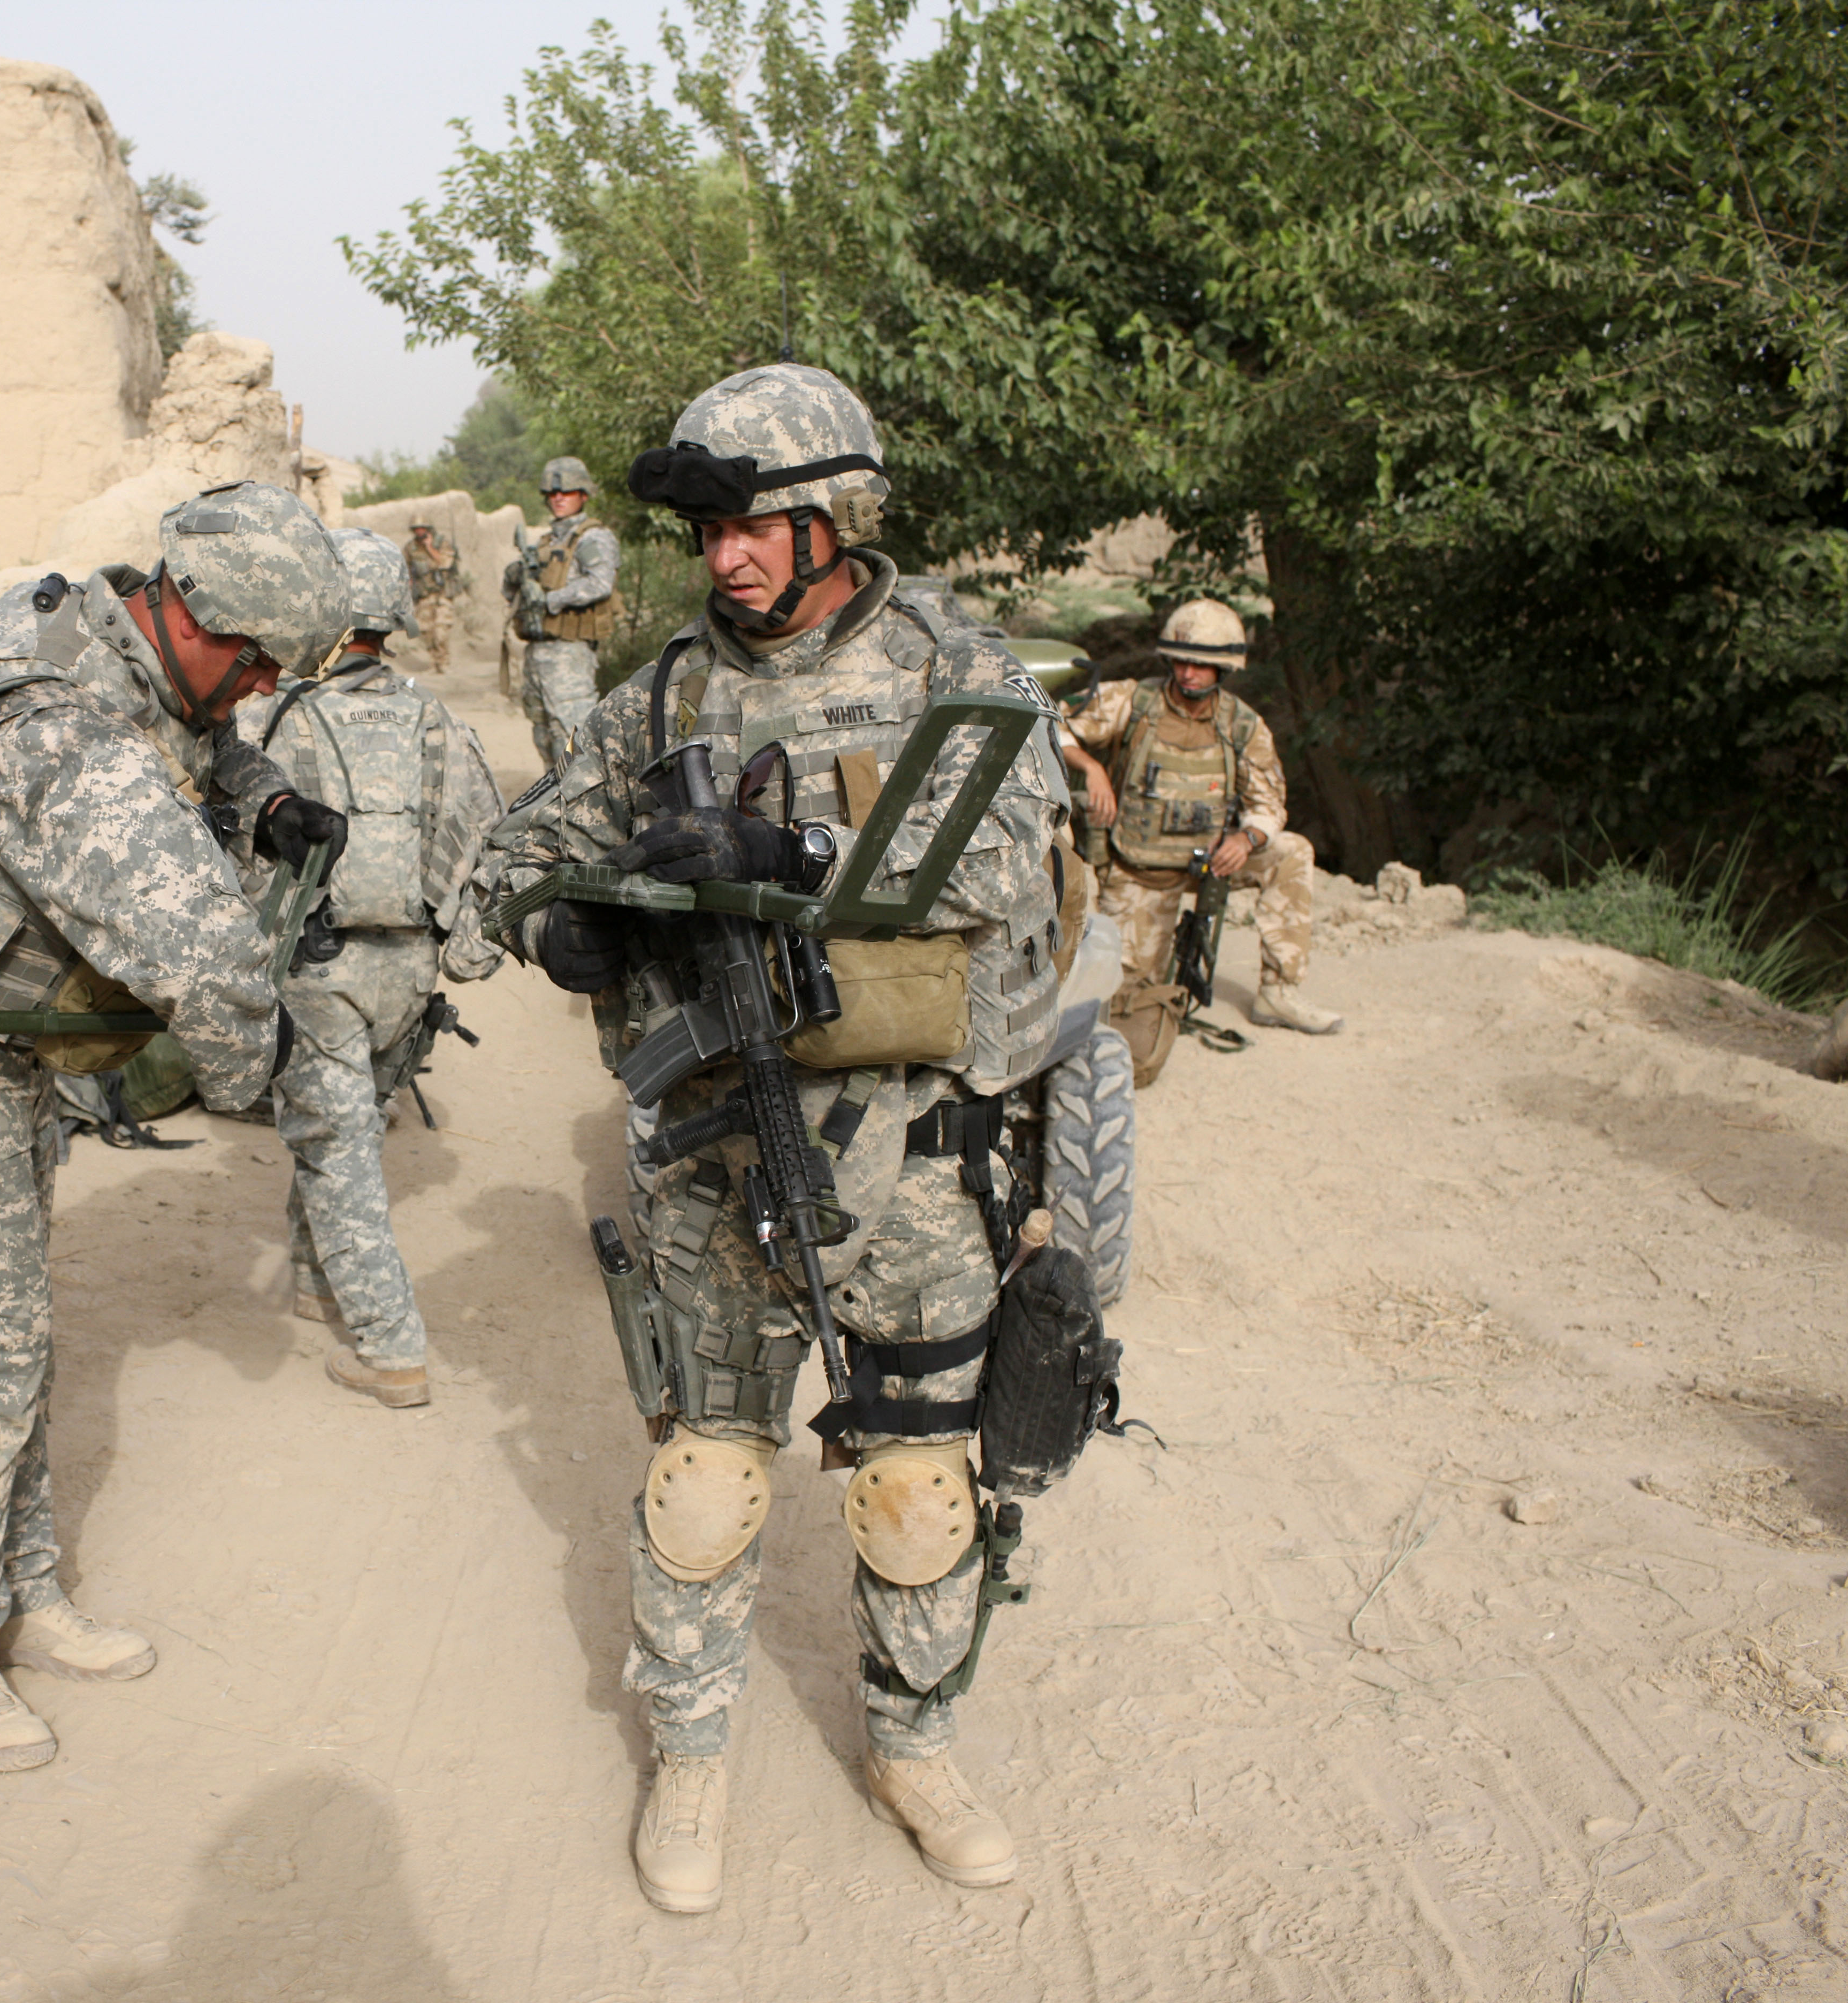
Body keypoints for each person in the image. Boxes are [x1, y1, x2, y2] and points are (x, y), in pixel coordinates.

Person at [483, 365, 1073, 1914]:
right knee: (707, 1475)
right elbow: (520, 847)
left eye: (755, 524)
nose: (726, 555)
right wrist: (568, 921)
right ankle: (689, 1754)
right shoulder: (669, 689)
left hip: (914, 1151)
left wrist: (786, 848)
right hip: (714, 1143)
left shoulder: (954, 658)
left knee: (918, 1483)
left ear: (838, 518)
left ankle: (916, 1745)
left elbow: (1003, 855)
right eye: (706, 529)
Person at [0, 480, 351, 1775]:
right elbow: (203, 958)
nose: (257, 687)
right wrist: (259, 1075)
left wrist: (262, 801)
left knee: (11, 1335)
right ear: (200, 615)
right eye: (254, 662)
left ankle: (20, 1594)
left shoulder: (116, 636)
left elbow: (197, 747)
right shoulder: (46, 718)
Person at [238, 526, 506, 1409]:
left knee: (338, 1147)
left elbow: (246, 851)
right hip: (409, 972)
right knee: (340, 1130)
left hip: (325, 967)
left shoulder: (289, 718)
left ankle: (392, 1349)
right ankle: (318, 1281)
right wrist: (460, 945)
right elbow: (483, 835)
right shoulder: (437, 717)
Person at [1060, 599, 1345, 1034]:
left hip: (1208, 862)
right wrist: (1091, 767)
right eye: (1181, 661)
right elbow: (1050, 722)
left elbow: (1270, 805)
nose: (1188, 673)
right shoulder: (1135, 702)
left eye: (1201, 665)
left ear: (1224, 669)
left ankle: (1279, 992)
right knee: (1127, 999)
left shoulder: (1242, 726)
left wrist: (1247, 840)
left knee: (1291, 852)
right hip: (1139, 873)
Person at [502, 456, 622, 769]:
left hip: (569, 654)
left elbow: (600, 583)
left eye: (567, 492)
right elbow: (513, 595)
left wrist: (550, 600)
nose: (558, 498)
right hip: (539, 652)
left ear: (583, 495)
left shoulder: (591, 537)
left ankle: (577, 806)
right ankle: (554, 803)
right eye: (553, 493)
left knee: (572, 740)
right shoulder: (547, 542)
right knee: (544, 735)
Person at [402, 517, 462, 674]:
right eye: (416, 529)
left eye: (422, 528)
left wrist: (430, 547)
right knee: (426, 631)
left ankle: (444, 662)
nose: (419, 531)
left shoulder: (442, 544)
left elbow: (445, 563)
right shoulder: (411, 548)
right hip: (424, 595)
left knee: (441, 631)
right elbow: (405, 567)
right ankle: (433, 663)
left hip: (442, 594)